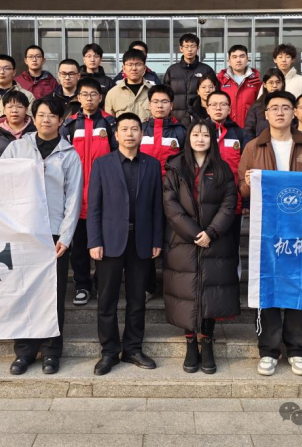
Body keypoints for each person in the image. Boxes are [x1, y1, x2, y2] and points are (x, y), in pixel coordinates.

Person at [238, 91, 302, 377]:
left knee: (299, 285)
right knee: (269, 286)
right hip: (266, 229)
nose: (279, 112)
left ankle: (297, 349)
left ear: (294, 113)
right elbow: (243, 190)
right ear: (266, 114)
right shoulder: (254, 147)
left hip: (301, 229)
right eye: (274, 108)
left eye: (286, 108)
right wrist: (248, 183)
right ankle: (269, 350)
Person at [4, 97, 83, 376]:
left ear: (61, 121)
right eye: (41, 114)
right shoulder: (17, 148)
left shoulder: (69, 154)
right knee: (25, 292)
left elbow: (73, 198)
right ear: (33, 117)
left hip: (54, 234)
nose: (46, 119)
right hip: (23, 231)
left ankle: (51, 351)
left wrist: (66, 236)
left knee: (53, 294)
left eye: (52, 115)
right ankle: (24, 351)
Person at [87, 112, 163, 376]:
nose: (130, 134)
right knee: (106, 299)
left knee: (137, 299)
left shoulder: (152, 165)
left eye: (134, 129)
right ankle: (109, 351)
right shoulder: (102, 164)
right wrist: (94, 240)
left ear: (141, 134)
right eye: (124, 129)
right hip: (109, 242)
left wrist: (156, 239)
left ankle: (132, 348)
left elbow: (156, 207)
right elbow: (94, 206)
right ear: (116, 134)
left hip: (141, 241)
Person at [162, 118, 238, 375]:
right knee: (187, 294)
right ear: (188, 138)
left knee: (209, 294)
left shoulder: (222, 169)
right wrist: (196, 233)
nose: (200, 139)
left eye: (206, 134)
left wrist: (211, 232)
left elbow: (229, 203)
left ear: (212, 139)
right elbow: (171, 206)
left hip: (215, 242)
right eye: (196, 134)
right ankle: (190, 344)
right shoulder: (175, 168)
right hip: (183, 241)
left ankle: (207, 343)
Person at [60, 78, 118, 306]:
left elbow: (117, 157)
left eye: (93, 94)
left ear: (100, 97)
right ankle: (82, 285)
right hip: (75, 196)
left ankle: (102, 283)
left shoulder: (110, 123)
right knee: (79, 247)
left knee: (105, 245)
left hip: (104, 196)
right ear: (78, 97)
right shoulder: (69, 125)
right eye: (84, 94)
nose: (89, 98)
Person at [139, 84, 186, 302]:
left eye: (164, 102)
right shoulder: (140, 129)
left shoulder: (181, 131)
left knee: (172, 241)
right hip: (144, 193)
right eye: (156, 102)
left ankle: (172, 285)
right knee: (145, 238)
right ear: (149, 105)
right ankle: (148, 285)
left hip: (173, 194)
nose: (160, 106)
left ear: (172, 105)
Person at [207, 90, 248, 260]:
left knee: (231, 248)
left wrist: (245, 201)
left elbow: (246, 169)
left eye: (223, 104)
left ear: (230, 109)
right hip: (204, 200)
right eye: (214, 105)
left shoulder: (240, 134)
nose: (218, 108)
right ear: (207, 108)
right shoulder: (198, 132)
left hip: (233, 201)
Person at [162, 33, 215, 124]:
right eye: (186, 47)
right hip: (175, 118)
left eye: (193, 46)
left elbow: (214, 93)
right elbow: (165, 94)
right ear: (181, 49)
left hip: (200, 118)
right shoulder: (172, 70)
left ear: (198, 48)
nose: (190, 50)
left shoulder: (206, 69)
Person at [216, 45, 262, 128]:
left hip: (249, 128)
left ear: (247, 59)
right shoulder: (221, 80)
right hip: (226, 127)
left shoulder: (256, 81)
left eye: (242, 56)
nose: (238, 60)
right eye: (234, 57)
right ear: (229, 60)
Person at [0, 90, 36, 159]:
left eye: (19, 107)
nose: (14, 110)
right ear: (4, 110)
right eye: (10, 107)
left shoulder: (35, 134)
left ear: (26, 110)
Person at [104, 49, 155, 120]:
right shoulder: (112, 93)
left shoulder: (154, 92)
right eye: (130, 64)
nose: (134, 68)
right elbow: (109, 122)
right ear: (124, 68)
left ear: (144, 68)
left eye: (138, 64)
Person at [244, 68, 287, 142]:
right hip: (261, 146)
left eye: (278, 82)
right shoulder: (257, 107)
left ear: (282, 83)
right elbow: (249, 131)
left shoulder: (290, 105)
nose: (274, 86)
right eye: (271, 82)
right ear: (264, 84)